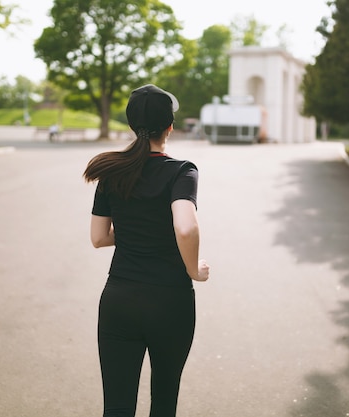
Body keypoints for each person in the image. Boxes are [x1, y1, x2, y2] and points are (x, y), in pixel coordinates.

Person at [83, 84, 210, 417]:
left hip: (119, 299)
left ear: (130, 125)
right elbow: (185, 226)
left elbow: (98, 237)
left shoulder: (111, 172)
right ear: (170, 126)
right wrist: (194, 268)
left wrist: (129, 232)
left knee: (117, 408)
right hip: (170, 301)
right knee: (164, 405)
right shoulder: (182, 171)